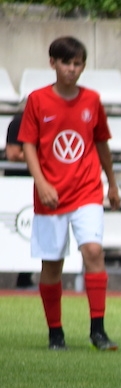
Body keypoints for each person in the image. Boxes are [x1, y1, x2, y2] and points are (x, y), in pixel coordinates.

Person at [19, 36, 120, 351]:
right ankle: (55, 333)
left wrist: (112, 183)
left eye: (78, 64)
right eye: (66, 63)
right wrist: (41, 183)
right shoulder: (37, 100)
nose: (72, 69)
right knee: (52, 265)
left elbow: (101, 143)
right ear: (53, 63)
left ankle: (98, 331)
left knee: (93, 251)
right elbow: (28, 145)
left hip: (87, 189)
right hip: (51, 194)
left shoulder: (92, 100)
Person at [5, 111, 34, 289]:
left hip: (36, 183)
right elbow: (12, 154)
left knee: (29, 233)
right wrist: (39, 156)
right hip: (16, 185)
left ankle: (25, 279)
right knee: (12, 233)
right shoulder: (18, 122)